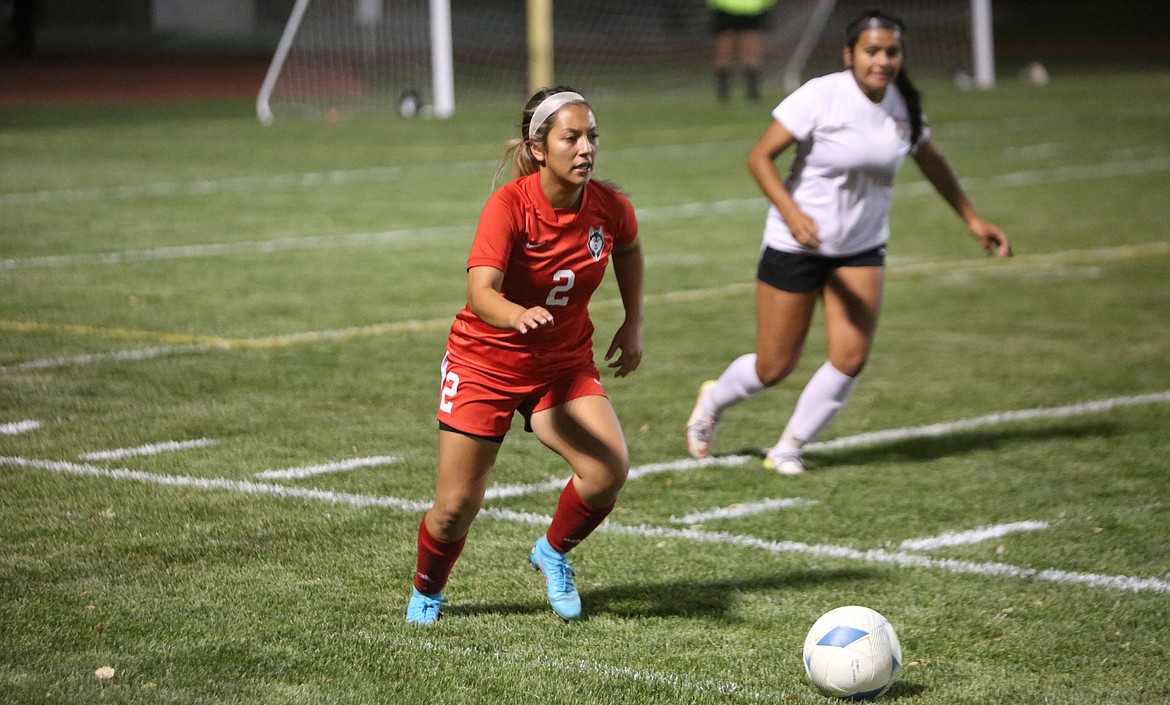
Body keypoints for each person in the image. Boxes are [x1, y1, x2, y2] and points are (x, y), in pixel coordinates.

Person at [685, 9, 1011, 474]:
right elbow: (760, 158)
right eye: (871, 51)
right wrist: (793, 215)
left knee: (851, 356)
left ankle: (788, 449)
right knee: (774, 367)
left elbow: (931, 161)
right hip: (796, 245)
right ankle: (713, 400)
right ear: (849, 54)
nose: (882, 60)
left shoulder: (905, 104)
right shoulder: (821, 95)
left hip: (860, 247)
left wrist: (973, 219)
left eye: (891, 52)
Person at [407, 87, 646, 624]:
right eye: (572, 137)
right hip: (484, 366)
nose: (586, 149)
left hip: (560, 366)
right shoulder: (509, 205)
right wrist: (516, 314)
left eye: (592, 137)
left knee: (608, 469)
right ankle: (427, 590)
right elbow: (481, 292)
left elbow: (628, 246)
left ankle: (552, 553)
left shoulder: (609, 207)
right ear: (540, 148)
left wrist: (633, 321)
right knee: (453, 511)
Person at [709, 0, 778, 102]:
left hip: (735, 8)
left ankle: (725, 92)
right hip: (748, 8)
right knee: (745, 52)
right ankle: (750, 92)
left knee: (730, 52)